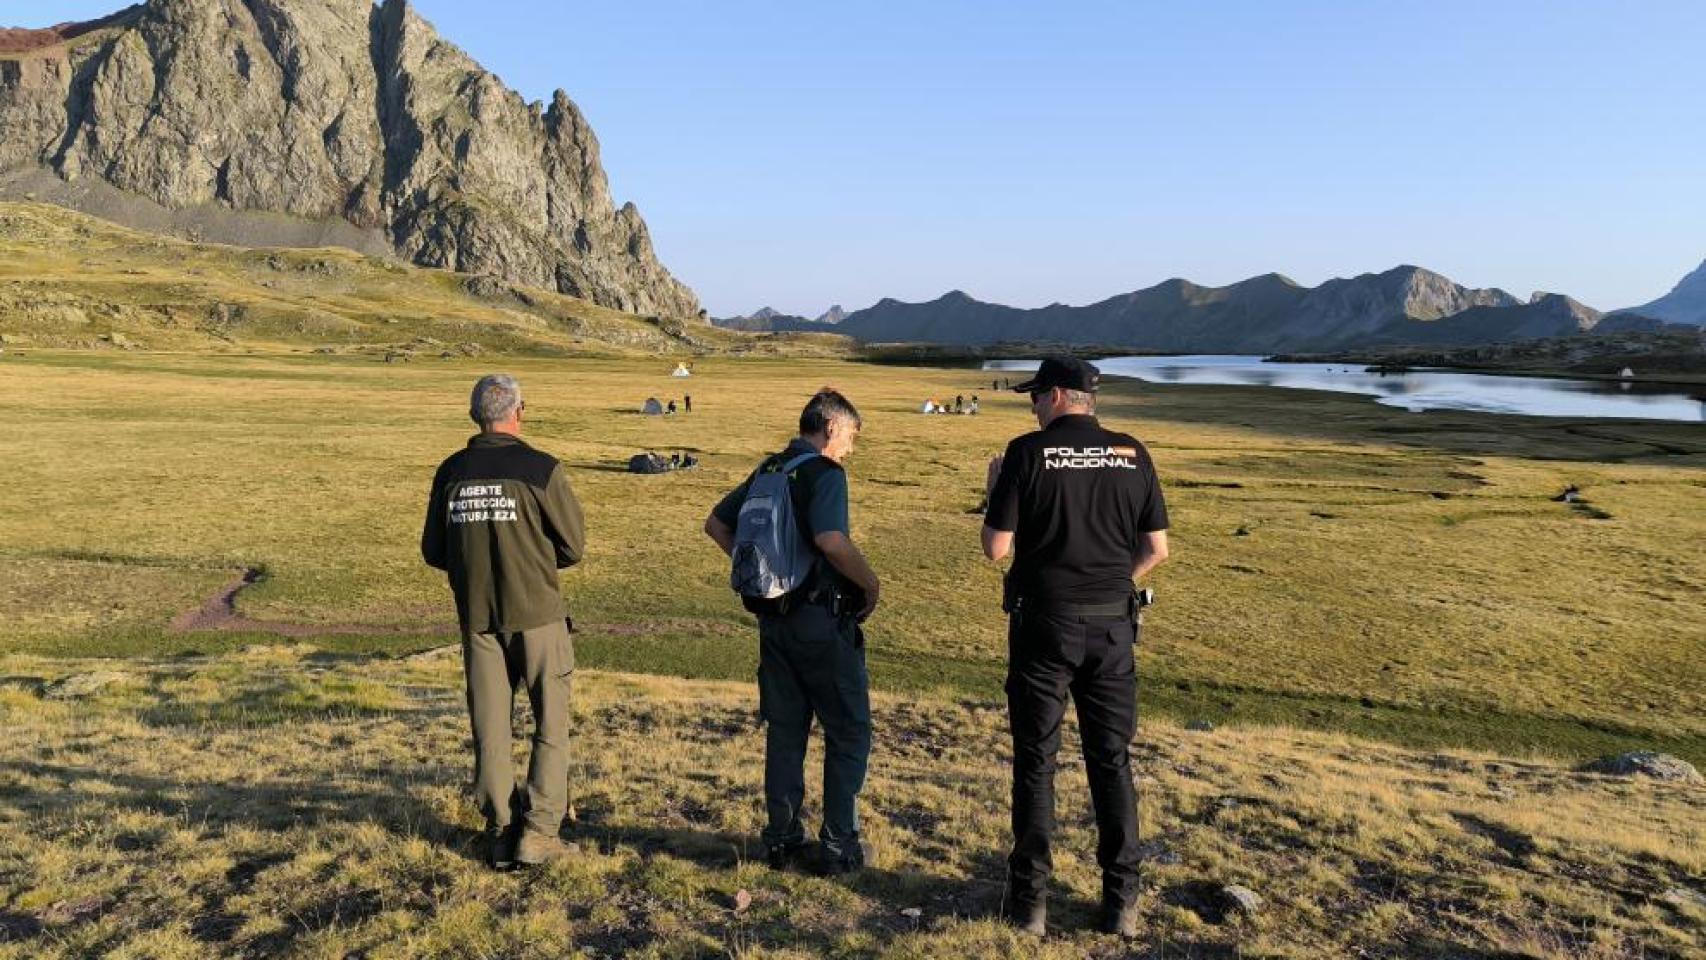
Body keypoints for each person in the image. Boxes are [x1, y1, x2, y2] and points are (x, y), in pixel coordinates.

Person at [980, 356, 1170, 938]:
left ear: (1059, 395)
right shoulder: (1132, 452)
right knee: (1111, 762)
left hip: (1044, 626)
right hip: (1113, 626)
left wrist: (994, 493)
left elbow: (996, 548)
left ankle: (1030, 904)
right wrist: (1113, 585)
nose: (1032, 406)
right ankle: (1122, 904)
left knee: (1036, 760)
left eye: (1036, 395)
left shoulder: (1025, 453)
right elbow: (1157, 549)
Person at [704, 389, 881, 876]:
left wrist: (763, 575)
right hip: (821, 622)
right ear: (830, 428)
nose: (850, 448)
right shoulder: (825, 474)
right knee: (848, 731)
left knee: (786, 732)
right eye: (850, 437)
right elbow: (830, 540)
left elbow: (716, 524)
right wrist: (870, 584)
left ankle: (781, 841)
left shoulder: (769, 469)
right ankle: (840, 844)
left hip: (773, 622)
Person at [422, 374, 586, 870]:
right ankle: (539, 832)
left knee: (491, 728)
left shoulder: (450, 472)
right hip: (537, 615)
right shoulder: (541, 469)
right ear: (519, 411)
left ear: (475, 414)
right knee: (550, 724)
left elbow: (434, 550)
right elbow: (572, 547)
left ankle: (498, 831)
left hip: (476, 618)